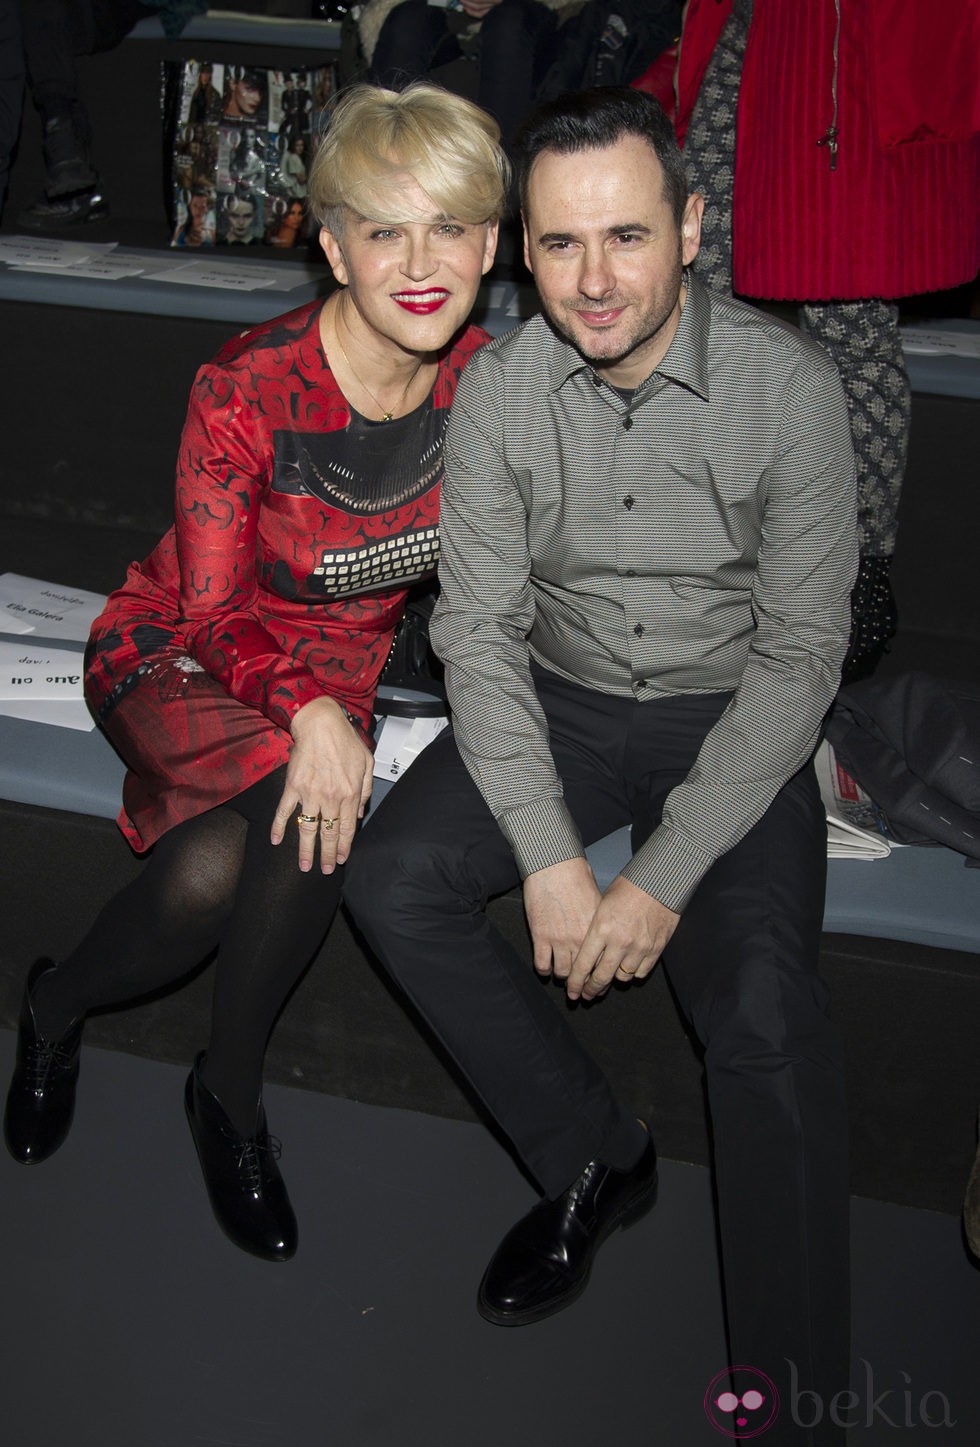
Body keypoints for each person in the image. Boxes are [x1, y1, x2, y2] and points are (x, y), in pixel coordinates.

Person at [345, 86, 857, 1440]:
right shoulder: (505, 387)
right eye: (561, 245)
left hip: (729, 711)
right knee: (392, 875)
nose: (595, 279)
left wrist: (659, 878)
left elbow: (804, 658)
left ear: (691, 227)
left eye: (627, 236)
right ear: (525, 248)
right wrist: (555, 857)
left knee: (762, 1011)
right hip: (559, 702)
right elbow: (480, 630)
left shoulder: (793, 392)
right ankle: (592, 1155)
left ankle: (795, 1404)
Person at [3, 82, 506, 1264]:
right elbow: (212, 604)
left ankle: (108, 1033)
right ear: (330, 244)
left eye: (450, 227)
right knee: (299, 790)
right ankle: (183, 1072)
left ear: (490, 241)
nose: (421, 263)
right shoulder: (247, 385)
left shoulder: (491, 385)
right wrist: (314, 712)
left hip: (337, 671)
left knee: (231, 857)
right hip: (179, 647)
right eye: (385, 230)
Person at [676, 0, 980, 681]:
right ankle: (701, 553)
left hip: (851, 36)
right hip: (758, 27)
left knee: (853, 318)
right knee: (697, 290)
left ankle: (858, 581)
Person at [361, 0, 572, 149]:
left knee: (508, 25)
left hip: (522, 12)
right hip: (440, 9)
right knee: (406, 23)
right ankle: (380, 160)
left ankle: (505, 182)